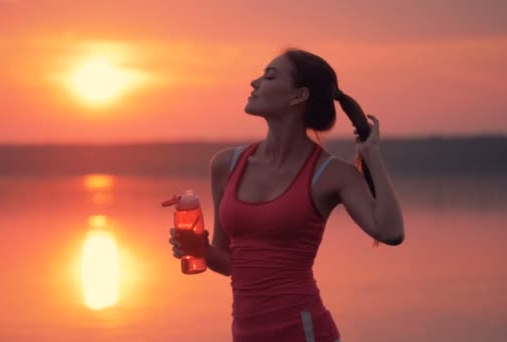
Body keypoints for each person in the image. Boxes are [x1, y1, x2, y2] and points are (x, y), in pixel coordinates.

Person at [168, 48, 405, 342]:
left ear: (298, 95)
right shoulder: (226, 165)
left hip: (303, 332)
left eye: (269, 76)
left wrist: (372, 156)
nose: (254, 83)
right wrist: (197, 247)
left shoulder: (330, 173)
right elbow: (231, 263)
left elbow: (391, 231)